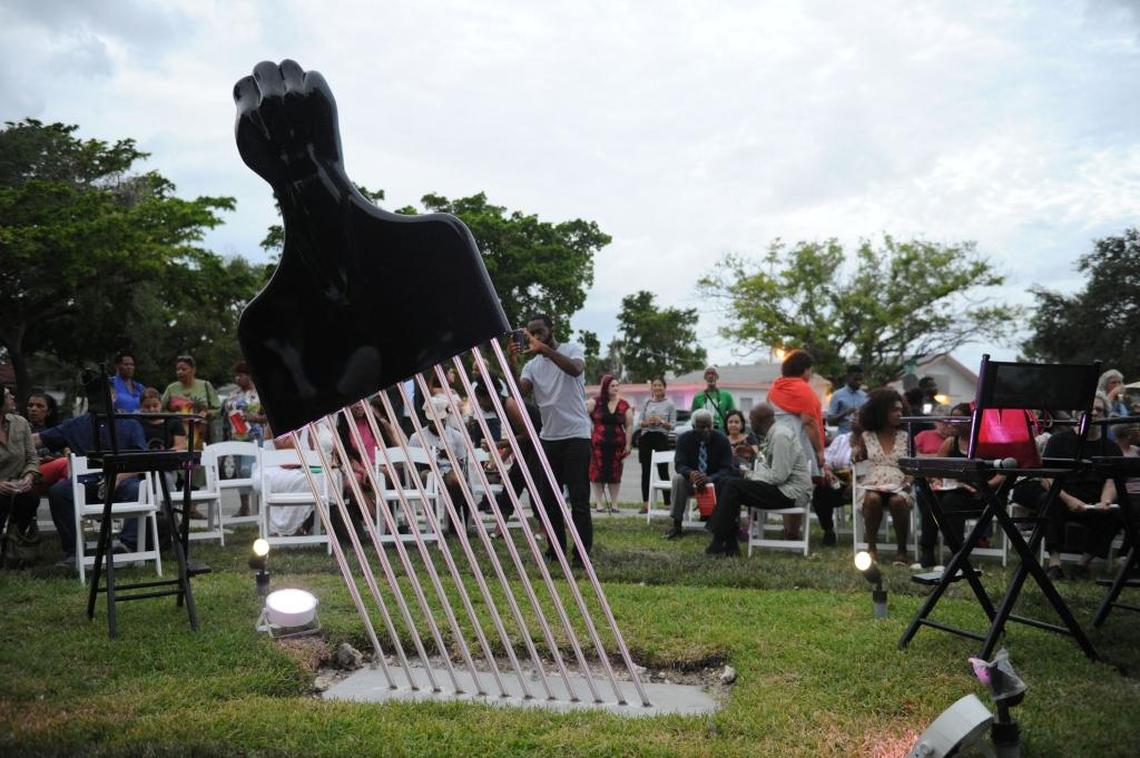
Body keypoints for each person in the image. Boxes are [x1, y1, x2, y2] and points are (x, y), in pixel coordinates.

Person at [33, 383, 148, 569]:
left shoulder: (130, 423)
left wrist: (119, 477)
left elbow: (142, 460)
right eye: (95, 396)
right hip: (88, 483)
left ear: (114, 396)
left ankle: (127, 546)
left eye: (105, 395)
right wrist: (11, 437)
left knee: (139, 489)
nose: (100, 399)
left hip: (123, 481)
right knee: (59, 492)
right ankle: (73, 551)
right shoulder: (76, 424)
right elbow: (38, 440)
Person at [510, 313, 593, 564]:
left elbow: (575, 369)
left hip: (577, 434)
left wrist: (545, 350)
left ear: (551, 329)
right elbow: (518, 392)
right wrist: (511, 361)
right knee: (550, 499)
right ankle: (556, 550)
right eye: (531, 334)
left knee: (578, 498)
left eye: (540, 333)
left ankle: (581, 555)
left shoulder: (571, 349)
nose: (535, 338)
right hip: (549, 437)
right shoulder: (532, 366)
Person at [1033, 395, 1124, 580]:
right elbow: (1046, 477)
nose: (1094, 413)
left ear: (1105, 415)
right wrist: (1069, 499)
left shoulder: (1112, 447)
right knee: (1047, 501)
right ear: (1076, 414)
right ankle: (1055, 564)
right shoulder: (1057, 441)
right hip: (1064, 496)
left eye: (1099, 410)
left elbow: (1112, 480)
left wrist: (1105, 502)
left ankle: (1083, 565)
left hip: (1096, 500)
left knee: (1117, 511)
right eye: (1089, 409)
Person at [707, 403, 812, 556]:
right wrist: (750, 458)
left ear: (759, 421)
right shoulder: (772, 434)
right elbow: (768, 467)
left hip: (790, 494)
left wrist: (748, 475)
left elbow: (778, 476)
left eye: (751, 419)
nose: (749, 423)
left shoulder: (780, 436)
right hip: (781, 488)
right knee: (725, 481)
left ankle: (718, 541)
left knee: (733, 485)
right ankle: (730, 544)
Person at [913, 402, 1001, 571]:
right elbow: (937, 471)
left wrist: (985, 486)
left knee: (950, 501)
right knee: (930, 499)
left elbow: (1002, 474)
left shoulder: (985, 442)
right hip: (953, 490)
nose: (952, 422)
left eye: (958, 419)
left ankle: (956, 555)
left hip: (981, 495)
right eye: (952, 418)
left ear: (971, 420)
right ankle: (928, 551)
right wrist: (936, 481)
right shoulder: (950, 443)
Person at [767, 349, 825, 541]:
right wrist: (819, 450)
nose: (811, 374)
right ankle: (793, 531)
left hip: (776, 442)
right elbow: (809, 422)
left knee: (783, 484)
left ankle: (788, 529)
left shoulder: (775, 388)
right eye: (810, 370)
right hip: (798, 442)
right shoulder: (803, 389)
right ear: (804, 370)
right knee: (799, 485)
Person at [851, 388, 914, 565]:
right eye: (894, 410)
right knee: (872, 499)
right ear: (881, 412)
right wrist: (856, 454)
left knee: (897, 501)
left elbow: (912, 467)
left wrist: (908, 483)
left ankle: (902, 550)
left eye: (901, 410)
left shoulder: (905, 437)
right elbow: (859, 459)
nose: (899, 414)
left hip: (898, 484)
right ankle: (871, 549)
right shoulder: (866, 436)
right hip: (873, 483)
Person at [662, 409, 734, 540]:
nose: (706, 430)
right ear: (693, 427)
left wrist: (710, 478)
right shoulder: (684, 439)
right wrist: (690, 473)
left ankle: (722, 525)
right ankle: (677, 525)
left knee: (729, 481)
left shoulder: (722, 439)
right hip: (691, 480)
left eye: (709, 426)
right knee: (678, 479)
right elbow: (679, 464)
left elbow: (727, 468)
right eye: (701, 427)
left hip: (716, 482)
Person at [411, 395, 470, 535]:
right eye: (432, 421)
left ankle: (453, 517)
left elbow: (463, 464)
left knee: (457, 480)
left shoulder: (456, 436)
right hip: (427, 472)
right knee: (426, 476)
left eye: (441, 421)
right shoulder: (417, 437)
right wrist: (428, 460)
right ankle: (432, 523)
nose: (437, 424)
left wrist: (450, 456)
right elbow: (411, 465)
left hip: (449, 469)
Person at [223, 361, 267, 517]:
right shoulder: (233, 395)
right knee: (239, 473)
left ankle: (260, 505)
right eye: (235, 376)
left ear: (250, 376)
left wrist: (254, 417)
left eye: (240, 375)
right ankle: (244, 507)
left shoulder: (260, 393)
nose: (237, 379)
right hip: (236, 436)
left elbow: (267, 417)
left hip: (254, 437)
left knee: (248, 470)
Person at [586, 374, 632, 514]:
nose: (615, 388)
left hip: (617, 445)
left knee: (615, 474)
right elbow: (583, 416)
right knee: (596, 473)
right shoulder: (595, 402)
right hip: (598, 445)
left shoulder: (624, 405)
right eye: (612, 385)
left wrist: (628, 445)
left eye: (617, 385)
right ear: (605, 387)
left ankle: (614, 503)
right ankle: (599, 503)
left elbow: (629, 426)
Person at [0, 386, 41, 541]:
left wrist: (29, 476)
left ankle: (15, 542)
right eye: (6, 395)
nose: (12, 397)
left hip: (16, 484)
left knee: (30, 498)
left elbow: (32, 458)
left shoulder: (20, 423)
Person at [161, 355, 220, 447]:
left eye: (183, 369)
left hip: (201, 433)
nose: (180, 372)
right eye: (178, 370)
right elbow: (160, 409)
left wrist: (206, 413)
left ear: (193, 370)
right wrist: (173, 415)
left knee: (201, 459)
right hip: (178, 434)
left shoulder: (205, 385)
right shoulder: (171, 388)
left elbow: (218, 408)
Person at [636, 377, 675, 514]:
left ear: (665, 387)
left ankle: (667, 503)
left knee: (663, 470)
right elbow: (639, 422)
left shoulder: (669, 404)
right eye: (655, 385)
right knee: (645, 471)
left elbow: (672, 426)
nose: (657, 388)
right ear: (651, 387)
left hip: (661, 438)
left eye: (660, 385)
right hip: (646, 437)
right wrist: (647, 422)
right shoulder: (647, 402)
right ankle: (645, 504)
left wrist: (661, 421)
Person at [25, 391, 68, 494]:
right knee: (65, 463)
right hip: (30, 472)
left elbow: (68, 451)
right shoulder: (20, 428)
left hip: (55, 472)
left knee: (64, 482)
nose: (33, 409)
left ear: (49, 411)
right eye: (30, 405)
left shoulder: (57, 431)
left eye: (39, 406)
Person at [689, 366, 735, 431]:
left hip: (721, 432)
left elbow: (733, 415)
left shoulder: (726, 395)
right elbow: (693, 418)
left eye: (713, 373)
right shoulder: (698, 397)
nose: (710, 376)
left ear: (717, 377)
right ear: (705, 377)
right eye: (708, 374)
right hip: (704, 432)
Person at [826, 365, 867, 435]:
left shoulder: (865, 396)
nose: (859, 382)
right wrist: (845, 412)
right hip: (843, 437)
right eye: (856, 379)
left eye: (861, 380)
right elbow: (830, 421)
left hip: (861, 439)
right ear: (848, 377)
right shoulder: (837, 395)